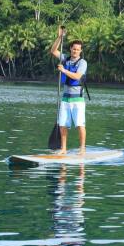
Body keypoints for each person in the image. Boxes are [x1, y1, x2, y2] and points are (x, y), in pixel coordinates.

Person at [50, 27, 88, 155]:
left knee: (79, 125)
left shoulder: (83, 62)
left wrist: (64, 71)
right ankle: (64, 149)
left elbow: (77, 76)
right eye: (73, 49)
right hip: (66, 98)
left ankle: (82, 148)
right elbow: (53, 50)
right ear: (70, 49)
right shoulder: (65, 58)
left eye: (78, 49)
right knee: (63, 125)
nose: (75, 51)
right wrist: (60, 37)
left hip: (78, 99)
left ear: (80, 50)